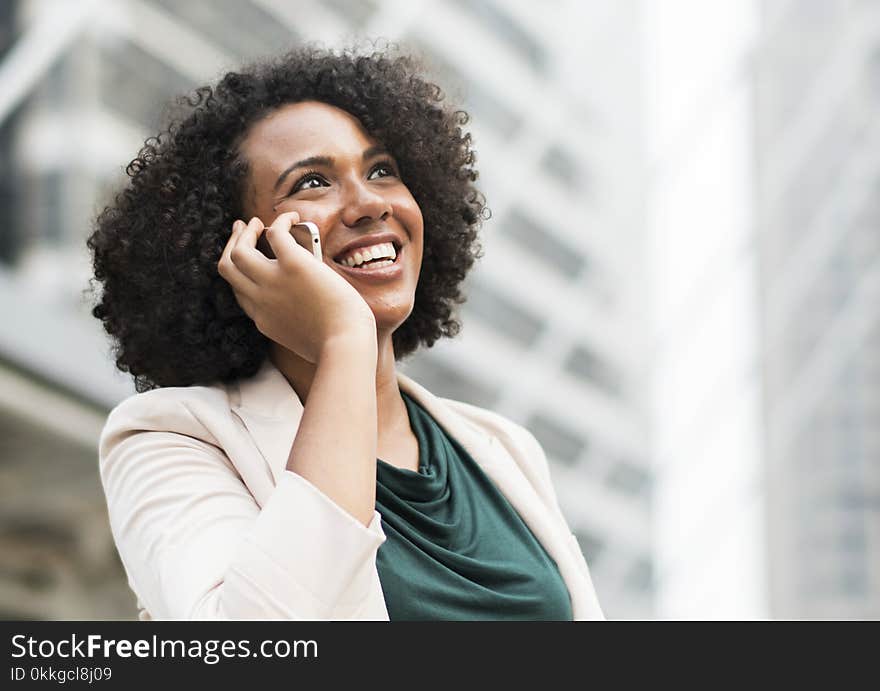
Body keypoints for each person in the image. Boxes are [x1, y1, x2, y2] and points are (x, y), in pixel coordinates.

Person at [87, 45, 604, 621]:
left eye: (382, 170)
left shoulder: (503, 448)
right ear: (239, 249)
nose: (368, 204)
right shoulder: (172, 440)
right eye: (312, 182)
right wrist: (343, 341)